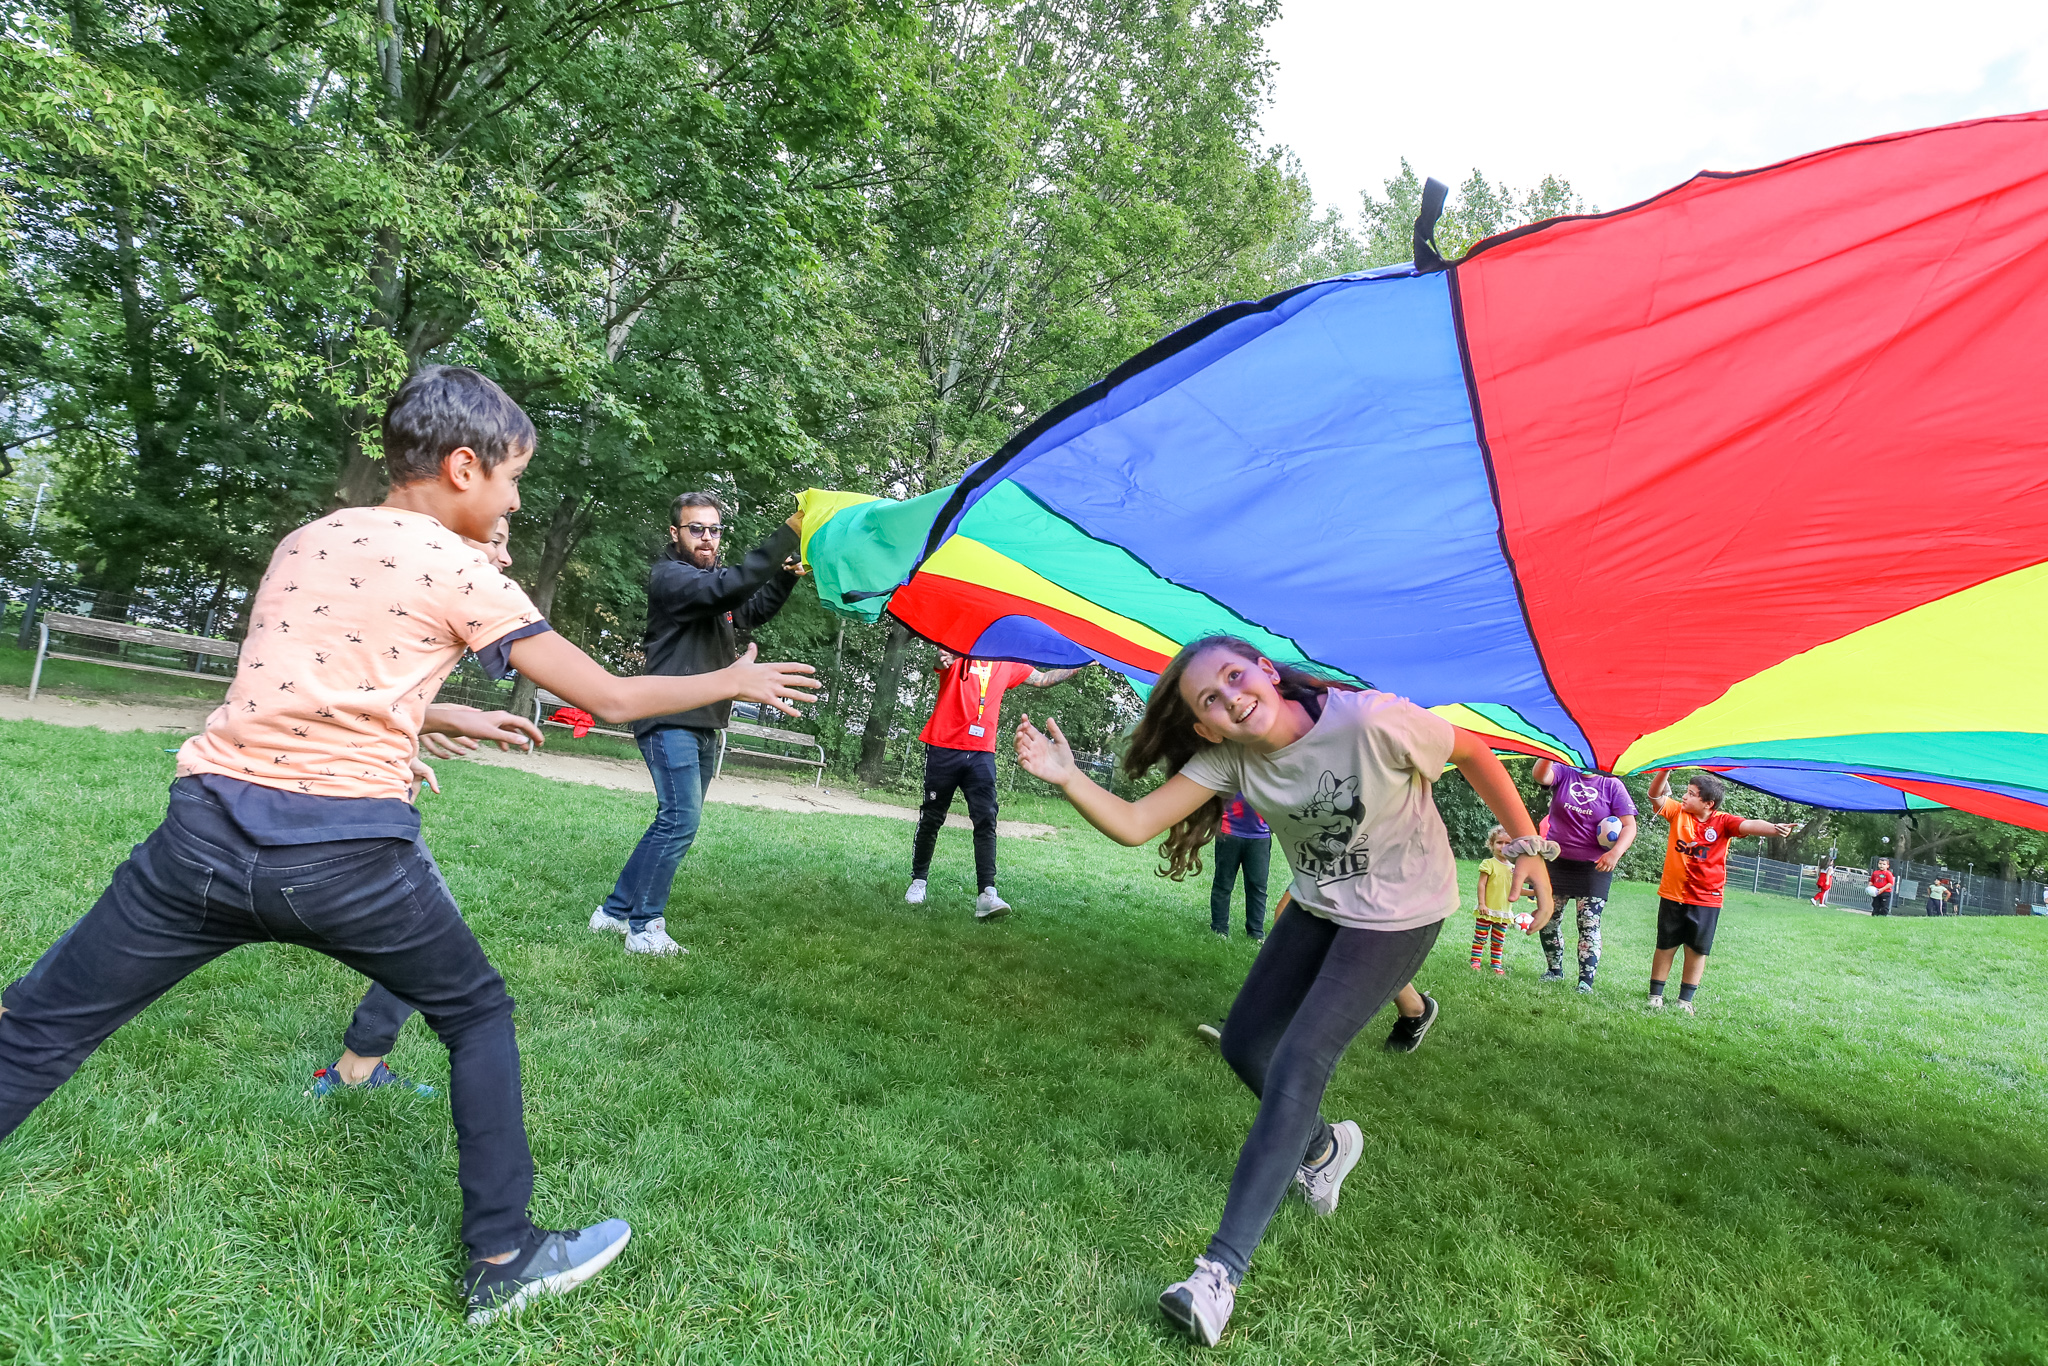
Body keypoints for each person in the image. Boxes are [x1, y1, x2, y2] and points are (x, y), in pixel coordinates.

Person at [0, 365, 820, 1323]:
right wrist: (735, 683)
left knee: (39, 1026)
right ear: (465, 468)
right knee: (475, 1013)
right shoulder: (463, 570)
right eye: (513, 479)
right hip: (347, 856)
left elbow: (315, 679)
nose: (515, 502)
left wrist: (437, 718)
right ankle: (503, 1256)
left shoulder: (307, 539)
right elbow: (610, 696)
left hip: (200, 839)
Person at [1013, 635, 1553, 1347]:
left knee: (1301, 1058)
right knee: (1244, 1044)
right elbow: (1138, 824)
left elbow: (1474, 752)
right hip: (1321, 903)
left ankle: (1218, 1275)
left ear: (1265, 670)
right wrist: (1066, 777)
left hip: (1401, 914)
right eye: (1211, 700)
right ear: (1207, 728)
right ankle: (1325, 1148)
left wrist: (1528, 847)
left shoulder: (1371, 721)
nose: (1232, 698)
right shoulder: (1230, 758)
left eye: (1236, 676)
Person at [590, 492, 806, 956]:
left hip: (703, 721)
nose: (707, 537)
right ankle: (644, 929)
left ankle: (613, 912)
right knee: (680, 819)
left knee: (672, 820)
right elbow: (729, 588)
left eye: (714, 529)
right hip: (668, 718)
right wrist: (789, 531)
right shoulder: (672, 578)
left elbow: (749, 611)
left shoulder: (711, 588)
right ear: (675, 533)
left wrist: (785, 577)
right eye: (696, 529)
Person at [903, 649, 1083, 919]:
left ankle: (987, 894)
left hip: (981, 753)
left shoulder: (1007, 661)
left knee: (986, 818)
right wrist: (940, 660)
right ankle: (918, 881)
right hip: (944, 746)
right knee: (932, 816)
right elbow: (939, 662)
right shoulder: (960, 650)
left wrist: (1082, 662)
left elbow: (1042, 679)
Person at [1644, 770, 1796, 1014]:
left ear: (1708, 803)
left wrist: (1774, 829)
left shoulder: (1723, 821)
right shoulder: (1677, 812)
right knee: (1665, 945)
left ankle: (1685, 1000)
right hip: (1673, 895)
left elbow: (1749, 824)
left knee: (1697, 950)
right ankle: (1655, 995)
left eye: (1691, 794)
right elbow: (1654, 795)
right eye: (1686, 792)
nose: (1684, 797)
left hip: (1706, 899)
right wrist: (1665, 771)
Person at [1530, 758, 1637, 991]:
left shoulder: (1612, 785)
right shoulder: (1563, 772)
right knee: (1549, 919)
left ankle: (1585, 982)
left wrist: (1615, 853)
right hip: (1556, 861)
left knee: (1589, 923)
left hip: (1595, 867)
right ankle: (1554, 971)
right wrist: (1548, 753)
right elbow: (1540, 776)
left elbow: (1630, 826)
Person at [1209, 792, 1272, 941]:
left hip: (1260, 836)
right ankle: (1219, 929)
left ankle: (1256, 933)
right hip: (1228, 833)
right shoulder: (1235, 775)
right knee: (1223, 884)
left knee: (1258, 887)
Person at [1471, 825, 1517, 975]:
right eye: (1499, 842)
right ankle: (1475, 961)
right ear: (1491, 844)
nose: (1503, 846)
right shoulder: (1489, 863)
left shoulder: (1514, 869)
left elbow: (1516, 889)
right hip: (1487, 910)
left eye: (1508, 843)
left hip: (1503, 912)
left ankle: (1496, 964)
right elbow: (1482, 884)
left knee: (1498, 941)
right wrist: (1482, 904)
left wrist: (1535, 891)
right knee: (1480, 937)